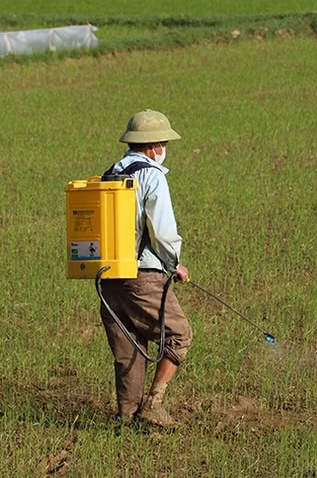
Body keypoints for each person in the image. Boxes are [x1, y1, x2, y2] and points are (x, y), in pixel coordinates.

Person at [99, 109, 191, 428]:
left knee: (129, 350)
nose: (164, 149)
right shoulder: (152, 176)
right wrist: (174, 264)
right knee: (179, 335)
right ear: (152, 146)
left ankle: (126, 420)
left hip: (107, 277)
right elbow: (163, 231)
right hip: (141, 276)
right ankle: (153, 405)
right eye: (163, 143)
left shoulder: (110, 174)